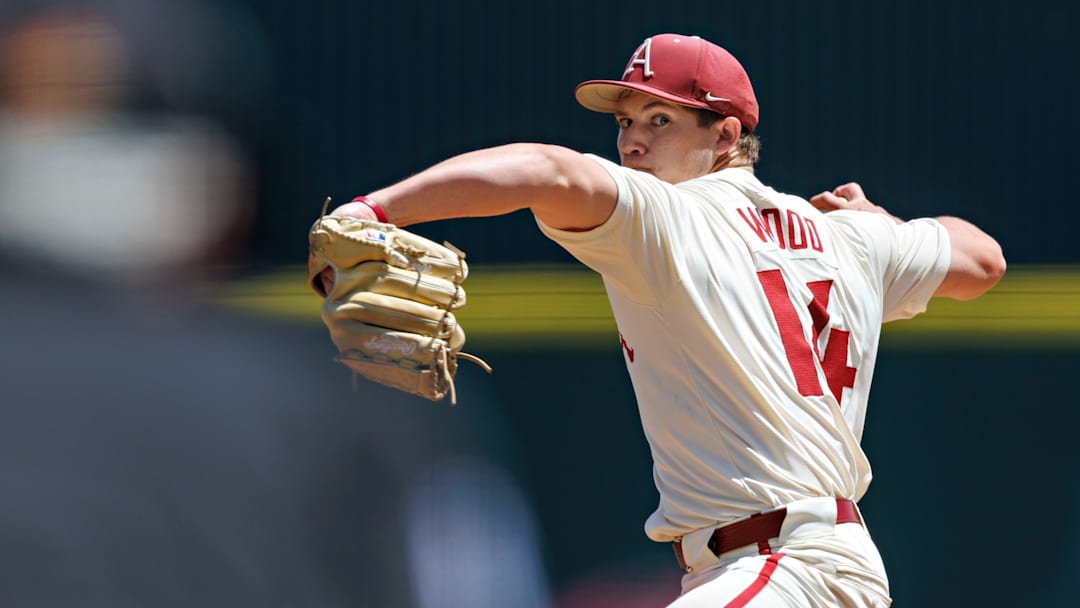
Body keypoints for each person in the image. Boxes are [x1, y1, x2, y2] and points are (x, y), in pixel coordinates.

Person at [323, 33, 1005, 607]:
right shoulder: (846, 239)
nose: (633, 142)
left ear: (727, 136)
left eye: (660, 120)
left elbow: (547, 170)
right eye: (625, 121)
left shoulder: (671, 215)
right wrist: (883, 223)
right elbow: (983, 261)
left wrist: (375, 210)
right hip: (810, 567)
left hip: (782, 567)